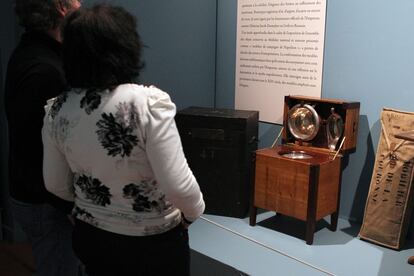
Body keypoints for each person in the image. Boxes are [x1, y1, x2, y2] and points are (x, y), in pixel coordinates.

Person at [41, 4, 205, 276]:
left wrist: (87, 209)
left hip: (92, 237)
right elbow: (178, 185)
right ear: (126, 47)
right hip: (152, 244)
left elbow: (55, 184)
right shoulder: (147, 104)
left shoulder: (57, 109)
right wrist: (192, 212)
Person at [4, 0, 83, 275]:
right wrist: (67, 206)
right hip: (45, 204)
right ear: (61, 8)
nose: (80, 3)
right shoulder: (43, 69)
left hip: (40, 197)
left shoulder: (36, 54)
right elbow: (33, 152)